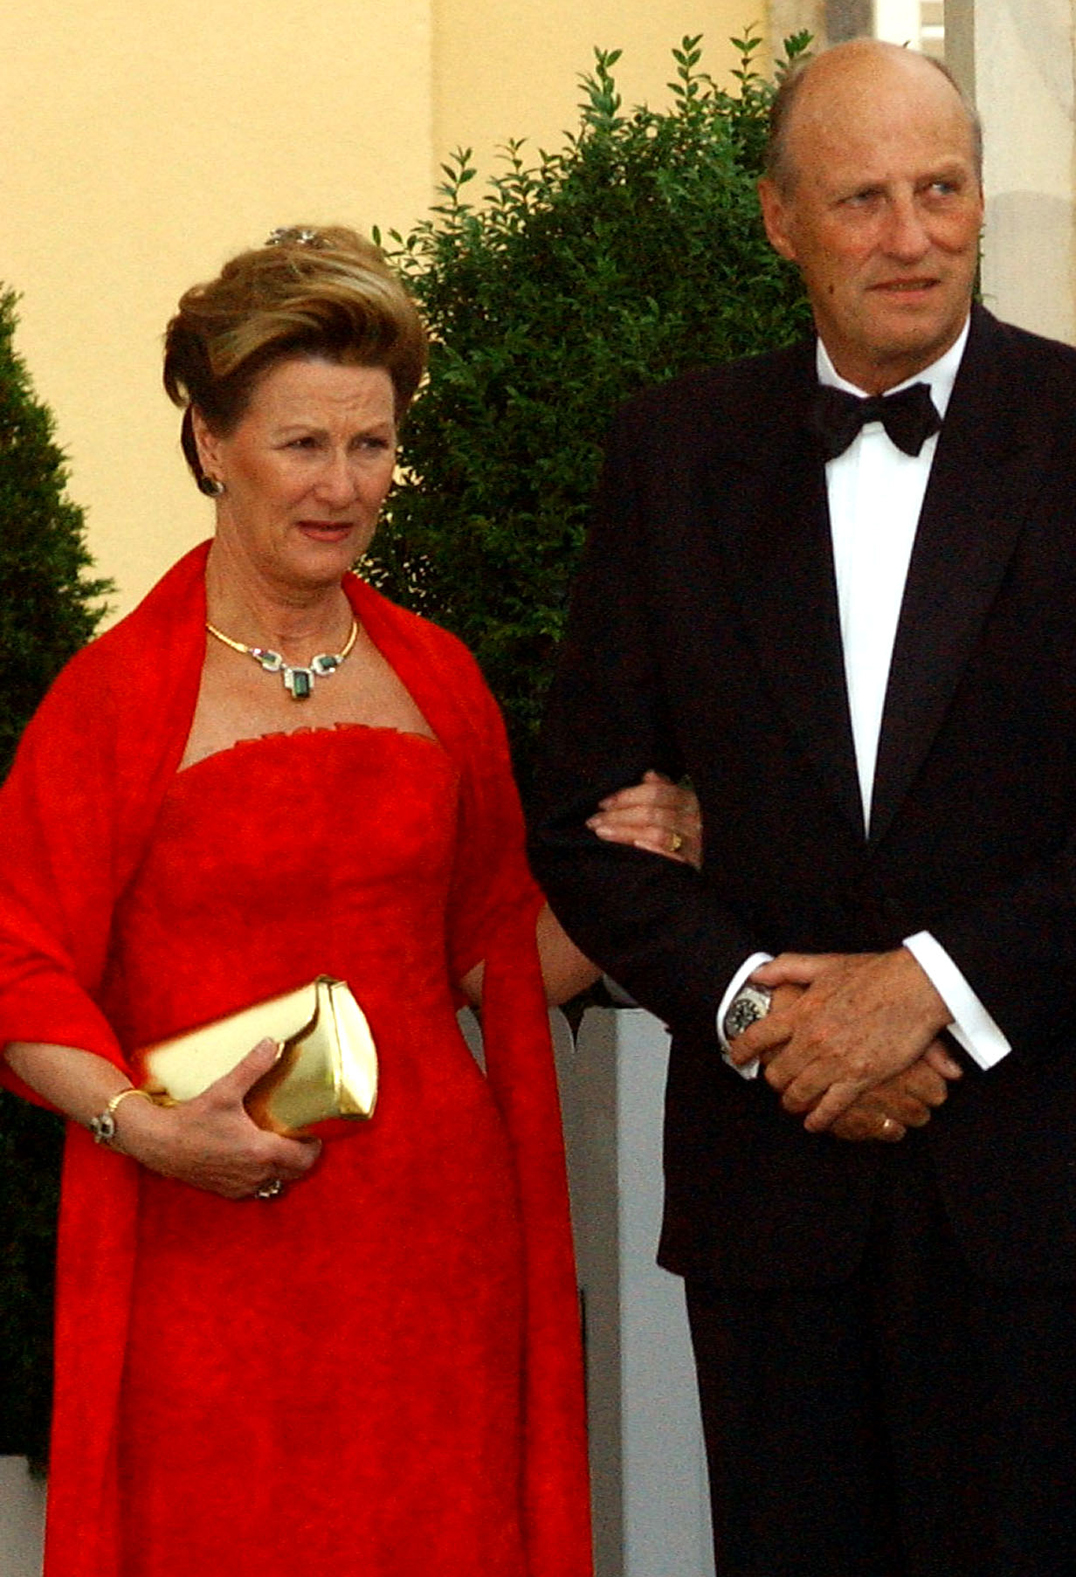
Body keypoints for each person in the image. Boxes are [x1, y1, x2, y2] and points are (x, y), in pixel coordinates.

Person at [529, 39, 1076, 1577]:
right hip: (783, 1207)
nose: (912, 235)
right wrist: (762, 1003)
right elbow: (581, 814)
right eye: (864, 200)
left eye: (943, 191)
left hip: (1065, 1200)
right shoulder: (673, 454)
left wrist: (928, 997)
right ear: (780, 220)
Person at [0, 225, 696, 1577]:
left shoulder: (439, 679)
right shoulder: (113, 700)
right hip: (206, 1258)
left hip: (435, 1261)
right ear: (210, 441)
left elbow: (501, 964)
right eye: (304, 443)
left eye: (371, 445)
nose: (345, 485)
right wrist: (146, 1129)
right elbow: (18, 967)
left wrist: (638, 869)